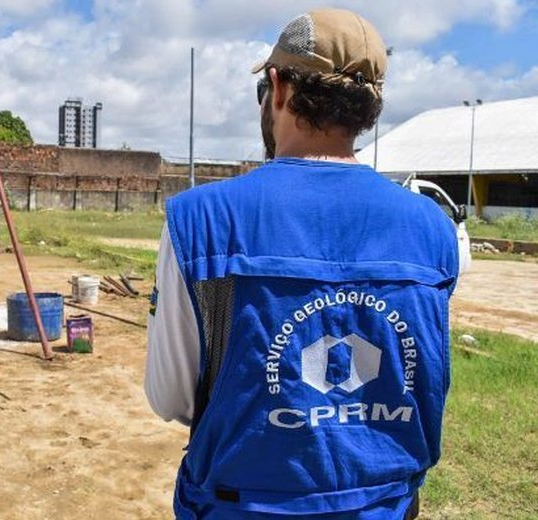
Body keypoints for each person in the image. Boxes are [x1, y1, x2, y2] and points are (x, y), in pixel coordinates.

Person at [145, 8, 460, 520]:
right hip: (386, 505)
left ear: (280, 89)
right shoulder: (433, 230)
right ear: (368, 109)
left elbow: (170, 399)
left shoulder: (201, 220)